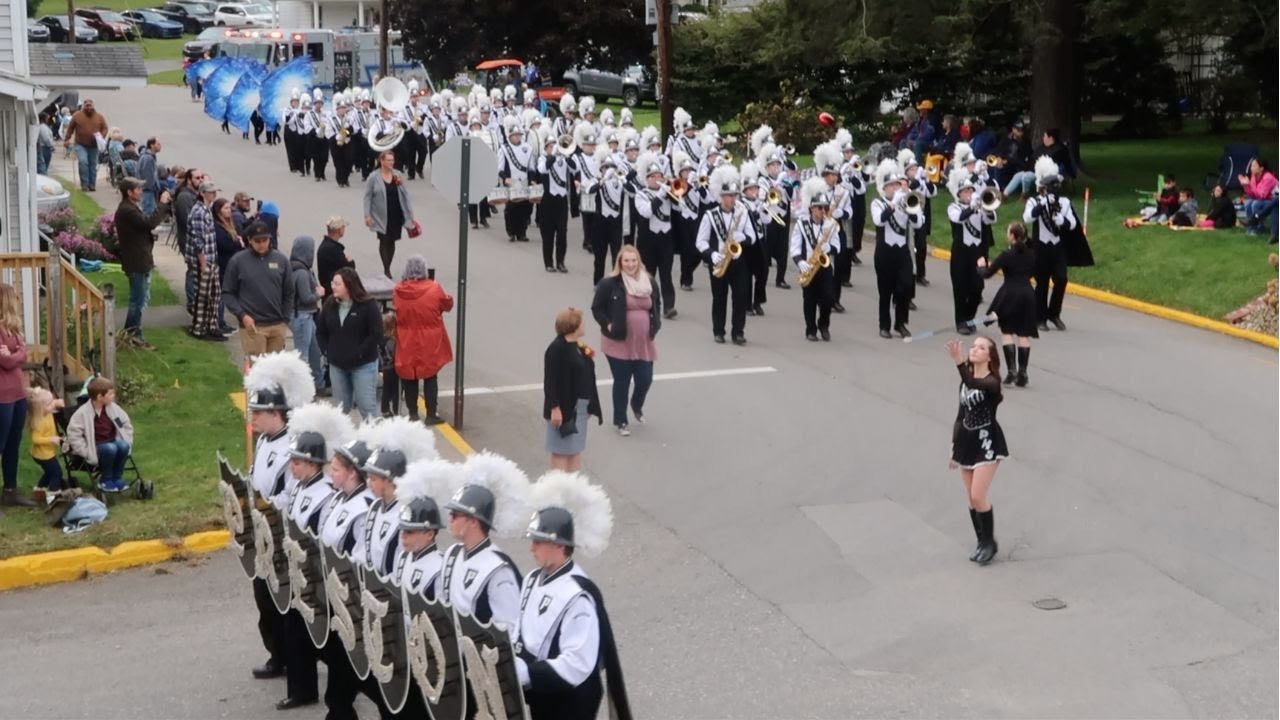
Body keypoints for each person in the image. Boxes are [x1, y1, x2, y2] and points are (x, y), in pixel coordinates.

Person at [516, 472, 632, 720]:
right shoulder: (530, 580)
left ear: (559, 545)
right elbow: (521, 630)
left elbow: (577, 662)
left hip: (571, 701)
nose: (531, 547)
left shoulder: (578, 595)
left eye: (538, 541)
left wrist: (528, 673)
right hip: (543, 693)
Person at [241, 351, 316, 686]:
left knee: (282, 600)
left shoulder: (292, 448)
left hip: (281, 531)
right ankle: (278, 654)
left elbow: (290, 491)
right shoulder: (264, 440)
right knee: (263, 598)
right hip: (262, 530)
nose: (253, 418)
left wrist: (268, 505)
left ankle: (294, 656)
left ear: (276, 413)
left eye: (259, 412)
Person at [442, 451, 527, 630]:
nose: (450, 519)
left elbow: (509, 627)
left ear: (474, 521)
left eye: (456, 515)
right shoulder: (452, 553)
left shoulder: (498, 569)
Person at [945, 336, 1008, 566]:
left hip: (987, 440)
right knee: (970, 498)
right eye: (973, 346)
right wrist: (954, 443)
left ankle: (990, 542)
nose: (975, 349)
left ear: (990, 357)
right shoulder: (965, 382)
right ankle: (981, 541)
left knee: (978, 495)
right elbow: (960, 415)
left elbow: (974, 384)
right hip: (967, 441)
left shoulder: (992, 382)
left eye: (981, 348)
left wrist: (958, 362)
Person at [591, 245, 661, 436]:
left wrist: (657, 322)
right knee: (622, 381)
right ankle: (621, 420)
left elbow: (656, 304)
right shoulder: (610, 284)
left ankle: (636, 404)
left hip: (644, 341)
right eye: (626, 261)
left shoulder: (650, 282)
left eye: (634, 260)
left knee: (645, 379)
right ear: (620, 263)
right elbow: (597, 308)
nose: (630, 264)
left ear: (639, 261)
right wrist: (608, 324)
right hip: (618, 341)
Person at [696, 165, 754, 345]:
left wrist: (742, 237)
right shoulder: (710, 215)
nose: (732, 199)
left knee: (740, 297)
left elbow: (753, 237)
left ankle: (738, 332)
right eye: (729, 196)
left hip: (738, 262)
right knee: (719, 298)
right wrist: (711, 254)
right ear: (721, 197)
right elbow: (700, 241)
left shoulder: (743, 213)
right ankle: (718, 331)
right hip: (719, 261)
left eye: (734, 195)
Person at [393, 255, 454, 425]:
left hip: (407, 338)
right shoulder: (434, 288)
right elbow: (446, 305)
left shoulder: (398, 290)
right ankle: (431, 413)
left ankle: (413, 413)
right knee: (430, 375)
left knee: (410, 375)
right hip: (429, 339)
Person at [317, 268, 384, 421]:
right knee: (341, 409)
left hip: (363, 365)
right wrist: (327, 351)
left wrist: (360, 352)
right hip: (337, 366)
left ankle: (374, 441)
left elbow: (376, 334)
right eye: (333, 283)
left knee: (366, 406)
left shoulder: (368, 305)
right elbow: (320, 331)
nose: (333, 286)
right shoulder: (329, 304)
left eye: (337, 284)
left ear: (349, 285)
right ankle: (342, 441)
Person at [114, 177, 173, 350]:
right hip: (137, 261)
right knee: (137, 302)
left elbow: (140, 229)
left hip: (140, 258)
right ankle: (134, 335)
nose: (141, 191)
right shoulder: (127, 210)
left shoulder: (130, 208)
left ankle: (131, 334)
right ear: (129, 192)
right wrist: (162, 204)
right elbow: (148, 223)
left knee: (141, 299)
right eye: (138, 189)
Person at [223, 222, 294, 358]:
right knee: (257, 371)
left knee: (274, 371)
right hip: (253, 326)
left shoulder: (281, 260)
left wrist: (285, 319)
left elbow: (289, 291)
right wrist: (242, 315)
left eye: (264, 240)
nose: (261, 244)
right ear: (249, 240)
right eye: (257, 241)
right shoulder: (237, 261)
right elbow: (228, 293)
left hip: (277, 325)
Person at [980, 222, 1038, 387]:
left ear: (1012, 235)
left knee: (1007, 332)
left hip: (1009, 294)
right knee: (1024, 334)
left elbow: (987, 274)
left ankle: (1012, 370)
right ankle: (1023, 372)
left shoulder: (1006, 255)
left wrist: (980, 267)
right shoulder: (1032, 255)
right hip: (1027, 294)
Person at [1023, 157, 1078, 331]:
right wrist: (1042, 205)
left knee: (1061, 279)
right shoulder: (1034, 201)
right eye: (1050, 186)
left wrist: (1062, 220)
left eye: (1056, 186)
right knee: (1042, 282)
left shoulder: (1065, 203)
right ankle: (1040, 318)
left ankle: (1054, 313)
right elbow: (1027, 218)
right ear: (1043, 187)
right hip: (1041, 246)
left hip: (1058, 246)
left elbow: (1073, 224)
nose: (1054, 190)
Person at [543, 308, 602, 471]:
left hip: (579, 407)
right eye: (582, 322)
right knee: (560, 451)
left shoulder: (577, 346)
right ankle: (559, 489)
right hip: (564, 408)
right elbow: (550, 381)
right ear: (573, 325)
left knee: (575, 449)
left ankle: (573, 487)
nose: (584, 325)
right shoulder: (557, 349)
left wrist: (590, 405)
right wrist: (554, 408)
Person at [871, 159, 922, 338]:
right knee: (885, 290)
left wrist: (911, 209)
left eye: (896, 185)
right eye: (891, 186)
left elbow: (918, 224)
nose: (895, 188)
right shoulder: (877, 203)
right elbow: (880, 220)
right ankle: (884, 325)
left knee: (906, 286)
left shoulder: (905, 202)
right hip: (884, 252)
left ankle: (900, 323)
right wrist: (893, 205)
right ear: (884, 188)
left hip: (902, 250)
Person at [790, 178, 840, 342]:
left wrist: (829, 248)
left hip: (825, 266)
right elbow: (795, 247)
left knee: (828, 298)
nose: (823, 211)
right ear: (812, 208)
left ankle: (823, 325)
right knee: (809, 300)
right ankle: (810, 329)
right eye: (820, 207)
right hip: (808, 266)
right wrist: (800, 262)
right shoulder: (801, 224)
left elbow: (837, 246)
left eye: (825, 207)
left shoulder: (830, 224)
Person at [65, 377, 135, 493]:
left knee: (124, 445)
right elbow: (74, 435)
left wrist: (127, 438)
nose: (113, 396)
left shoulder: (114, 409)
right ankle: (105, 480)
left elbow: (124, 424)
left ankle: (117, 477)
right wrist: (85, 451)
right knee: (110, 448)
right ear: (99, 397)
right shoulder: (82, 414)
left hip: (113, 442)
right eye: (110, 394)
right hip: (95, 447)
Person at [947, 172, 996, 334]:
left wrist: (985, 208)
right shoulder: (953, 207)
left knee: (977, 287)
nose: (969, 194)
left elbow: (991, 219)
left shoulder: (979, 207)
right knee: (960, 287)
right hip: (961, 252)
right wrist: (972, 207)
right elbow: (959, 218)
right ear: (959, 194)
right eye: (966, 191)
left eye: (971, 190)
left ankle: (969, 317)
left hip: (977, 252)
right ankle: (961, 321)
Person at [363, 150, 417, 277]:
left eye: (392, 160)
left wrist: (409, 214)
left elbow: (405, 195)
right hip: (380, 216)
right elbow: (367, 197)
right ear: (381, 161)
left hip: (395, 213)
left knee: (392, 241)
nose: (391, 163)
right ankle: (386, 269)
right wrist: (367, 215)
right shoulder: (373, 177)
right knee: (383, 240)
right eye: (388, 160)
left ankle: (388, 265)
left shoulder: (397, 175)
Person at [0, 284, 30, 509]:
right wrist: (16, 353)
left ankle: (10, 490)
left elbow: (22, 354)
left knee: (14, 443)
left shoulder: (13, 329)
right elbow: (7, 361)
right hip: (2, 396)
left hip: (18, 393)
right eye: (16, 299)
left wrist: (16, 352)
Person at [186, 181, 226, 340]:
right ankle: (199, 329)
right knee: (203, 296)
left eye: (215, 192)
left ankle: (212, 326)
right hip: (203, 261)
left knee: (214, 295)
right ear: (202, 193)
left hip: (212, 258)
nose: (214, 195)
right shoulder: (198, 212)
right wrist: (203, 263)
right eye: (211, 192)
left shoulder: (206, 210)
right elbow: (198, 240)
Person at [288, 236, 326, 391]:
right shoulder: (303, 273)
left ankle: (318, 383)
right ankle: (302, 389)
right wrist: (319, 294)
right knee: (303, 355)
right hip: (302, 316)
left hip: (303, 316)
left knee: (315, 350)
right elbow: (306, 298)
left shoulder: (294, 267)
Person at [537, 134, 572, 273]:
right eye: (550, 146)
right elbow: (542, 169)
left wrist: (565, 154)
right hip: (547, 200)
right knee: (548, 234)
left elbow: (575, 168)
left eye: (554, 145)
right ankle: (548, 263)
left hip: (562, 200)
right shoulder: (543, 158)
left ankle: (561, 261)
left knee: (562, 233)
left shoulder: (564, 159)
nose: (554, 148)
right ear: (546, 148)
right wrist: (553, 155)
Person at [26, 387, 65, 504]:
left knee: (49, 472)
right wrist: (51, 439)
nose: (52, 404)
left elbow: (53, 405)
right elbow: (35, 439)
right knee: (57, 473)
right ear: (40, 408)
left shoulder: (47, 412)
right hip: (43, 455)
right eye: (49, 403)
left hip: (46, 453)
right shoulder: (39, 421)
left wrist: (56, 402)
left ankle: (39, 492)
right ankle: (53, 497)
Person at [212, 198, 243, 337]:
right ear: (218, 211)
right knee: (222, 294)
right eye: (225, 208)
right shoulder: (218, 226)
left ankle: (221, 321)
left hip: (230, 263)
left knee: (225, 293)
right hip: (223, 263)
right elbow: (222, 244)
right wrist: (238, 244)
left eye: (229, 208)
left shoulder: (229, 224)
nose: (229, 211)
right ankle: (218, 322)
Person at [63, 98, 108, 191]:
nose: (88, 108)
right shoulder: (77, 116)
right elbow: (70, 128)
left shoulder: (99, 117)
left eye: (90, 105)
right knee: (83, 162)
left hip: (94, 145)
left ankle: (92, 184)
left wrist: (101, 136)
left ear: (93, 106)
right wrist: (67, 139)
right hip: (80, 144)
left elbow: (105, 128)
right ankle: (84, 184)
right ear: (83, 106)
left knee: (92, 165)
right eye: (86, 105)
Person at [316, 216, 356, 294]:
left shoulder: (326, 246)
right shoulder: (333, 249)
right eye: (343, 227)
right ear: (339, 230)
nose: (344, 229)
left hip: (330, 291)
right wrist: (351, 262)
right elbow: (348, 270)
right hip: (334, 293)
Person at [1238, 158, 1278, 234]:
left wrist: (1248, 185)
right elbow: (1253, 195)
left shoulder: (1268, 177)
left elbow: (1262, 195)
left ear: (1261, 168)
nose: (1251, 168)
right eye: (1251, 166)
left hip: (1274, 200)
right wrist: (1246, 186)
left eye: (1254, 166)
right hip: (1265, 199)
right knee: (1248, 203)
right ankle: (1251, 228)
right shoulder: (1254, 176)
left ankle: (1259, 227)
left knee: (1255, 204)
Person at [379, 311, 399, 418]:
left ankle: (385, 409)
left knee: (386, 388)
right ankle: (396, 409)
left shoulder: (381, 339)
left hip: (385, 368)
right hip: (394, 368)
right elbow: (395, 354)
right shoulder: (392, 341)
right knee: (396, 389)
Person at [137, 137, 161, 214]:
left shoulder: (149, 156)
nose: (160, 146)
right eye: (158, 144)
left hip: (147, 191)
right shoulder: (148, 158)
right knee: (148, 213)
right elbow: (147, 177)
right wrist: (153, 188)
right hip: (147, 192)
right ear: (151, 145)